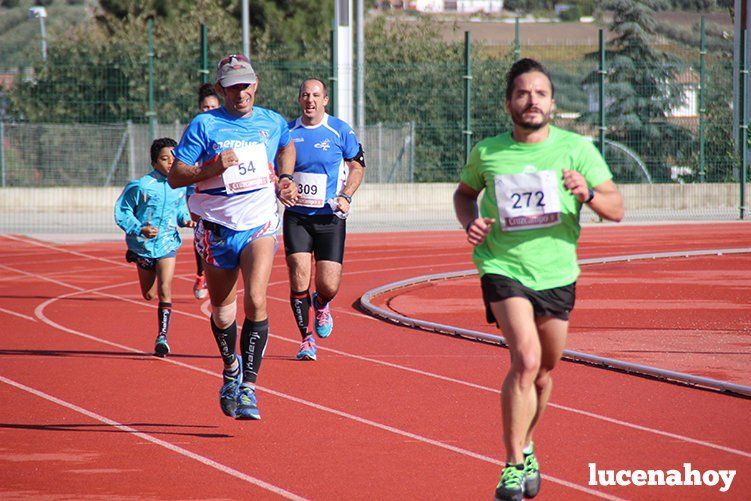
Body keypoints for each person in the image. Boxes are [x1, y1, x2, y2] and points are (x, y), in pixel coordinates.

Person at [453, 58, 624, 501]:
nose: (532, 101)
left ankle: (527, 445)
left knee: (545, 373)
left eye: (540, 93)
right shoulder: (488, 152)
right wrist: (469, 224)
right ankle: (511, 465)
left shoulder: (576, 150)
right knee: (526, 361)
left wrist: (586, 192)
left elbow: (616, 209)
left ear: (552, 102)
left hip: (557, 272)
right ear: (509, 102)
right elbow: (464, 194)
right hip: (502, 267)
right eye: (523, 93)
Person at [168, 54, 298, 421]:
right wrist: (212, 167)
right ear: (222, 88)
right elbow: (176, 176)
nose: (241, 93)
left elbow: (287, 144)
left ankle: (249, 389)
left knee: (257, 300)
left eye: (246, 85)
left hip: (258, 222)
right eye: (233, 86)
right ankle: (230, 370)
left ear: (255, 84)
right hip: (216, 226)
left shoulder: (271, 122)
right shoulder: (204, 125)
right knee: (224, 312)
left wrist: (285, 178)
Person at [284, 78, 365, 361]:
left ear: (325, 100)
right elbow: (273, 168)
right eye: (305, 95)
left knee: (329, 285)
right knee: (298, 276)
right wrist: (281, 185)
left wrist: (346, 195)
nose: (310, 100)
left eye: (316, 95)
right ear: (299, 99)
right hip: (296, 216)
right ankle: (306, 339)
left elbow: (357, 165)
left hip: (330, 217)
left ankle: (321, 303)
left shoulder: (339, 130)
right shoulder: (287, 132)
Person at [114, 137, 195, 357]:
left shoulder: (180, 185)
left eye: (174, 158)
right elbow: (123, 211)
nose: (170, 162)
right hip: (144, 245)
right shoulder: (141, 186)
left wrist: (186, 219)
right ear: (154, 161)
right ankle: (137, 258)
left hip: (168, 242)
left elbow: (180, 209)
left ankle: (162, 337)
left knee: (165, 288)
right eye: (164, 158)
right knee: (149, 294)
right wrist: (140, 228)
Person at [190, 83, 223, 300]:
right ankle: (202, 273)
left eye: (213, 107)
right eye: (205, 107)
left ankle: (217, 273)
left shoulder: (225, 129)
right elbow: (185, 165)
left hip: (222, 191)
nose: (209, 111)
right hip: (199, 190)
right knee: (199, 234)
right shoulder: (196, 130)